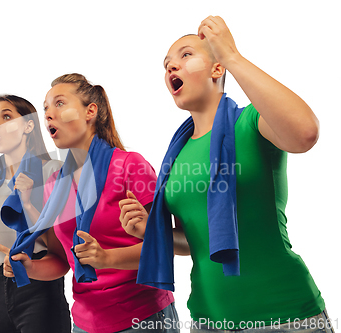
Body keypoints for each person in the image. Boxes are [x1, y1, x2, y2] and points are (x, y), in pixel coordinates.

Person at [121, 16, 332, 332]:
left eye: (185, 55)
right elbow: (197, 242)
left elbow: (305, 133)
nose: (171, 68)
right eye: (166, 64)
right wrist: (147, 232)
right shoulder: (176, 155)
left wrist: (232, 56)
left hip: (285, 316)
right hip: (209, 320)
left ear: (216, 69)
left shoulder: (250, 123)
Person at [0, 74, 179, 333]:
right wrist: (31, 267)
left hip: (141, 318)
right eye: (45, 108)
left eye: (59, 104)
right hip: (85, 323)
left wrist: (106, 257)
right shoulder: (56, 183)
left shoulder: (130, 166)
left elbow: (163, 247)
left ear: (90, 111)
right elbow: (63, 259)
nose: (48, 114)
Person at [0, 95, 71, 333]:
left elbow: (60, 246)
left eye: (6, 116)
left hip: (38, 287)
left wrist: (28, 204)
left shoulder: (52, 171)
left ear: (28, 126)